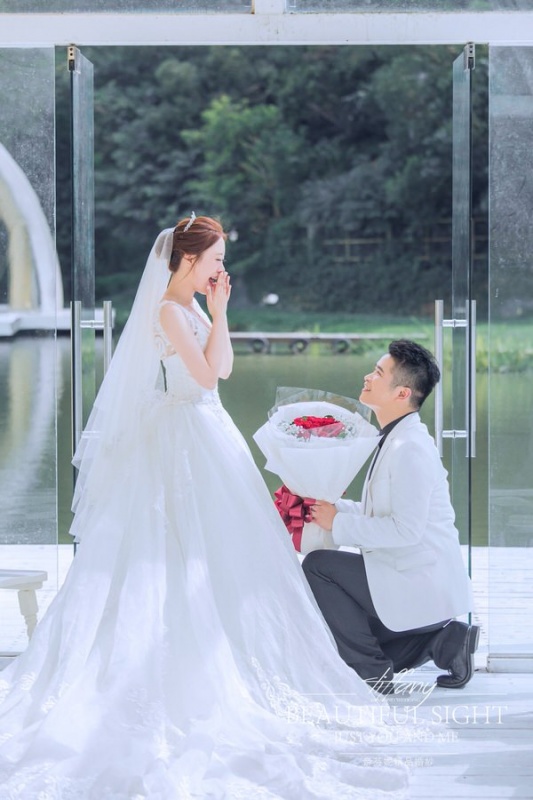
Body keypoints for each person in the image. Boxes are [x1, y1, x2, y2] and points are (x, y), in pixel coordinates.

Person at [0, 217, 411, 799]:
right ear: (187, 260)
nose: (222, 268)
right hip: (181, 435)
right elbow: (203, 377)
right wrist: (214, 315)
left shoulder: (193, 305)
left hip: (205, 428)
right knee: (173, 542)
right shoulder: (169, 310)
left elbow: (224, 367)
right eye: (215, 258)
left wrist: (219, 312)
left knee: (223, 545)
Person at [303, 340, 479, 695]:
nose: (368, 377)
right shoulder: (397, 438)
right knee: (354, 636)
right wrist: (330, 509)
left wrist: (337, 522)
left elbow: (405, 530)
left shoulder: (409, 449)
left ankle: (373, 672)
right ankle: (444, 641)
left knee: (319, 566)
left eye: (378, 373)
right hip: (408, 573)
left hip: (418, 578)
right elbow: (383, 514)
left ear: (402, 393)